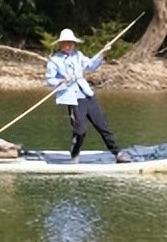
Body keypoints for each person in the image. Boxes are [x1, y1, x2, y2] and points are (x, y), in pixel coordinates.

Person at [45, 28, 129, 164]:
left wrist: (103, 53)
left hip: (87, 94)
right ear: (61, 44)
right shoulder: (55, 61)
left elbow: (90, 66)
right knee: (80, 131)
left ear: (73, 43)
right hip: (72, 98)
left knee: (103, 125)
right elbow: (49, 80)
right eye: (65, 43)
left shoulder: (78, 55)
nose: (68, 45)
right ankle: (75, 152)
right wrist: (61, 80)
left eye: (70, 43)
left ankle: (117, 153)